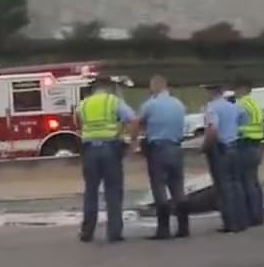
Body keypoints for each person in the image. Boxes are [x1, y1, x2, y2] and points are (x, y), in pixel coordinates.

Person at [75, 77, 136, 243]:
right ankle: (114, 232)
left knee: (91, 192)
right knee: (113, 191)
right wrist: (131, 140)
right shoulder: (113, 101)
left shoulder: (84, 104)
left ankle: (87, 232)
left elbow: (78, 121)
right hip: (110, 148)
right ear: (107, 87)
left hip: (89, 151)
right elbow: (132, 118)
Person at [135, 75, 189, 239]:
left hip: (158, 149)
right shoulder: (179, 104)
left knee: (159, 189)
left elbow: (138, 122)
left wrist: (135, 141)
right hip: (176, 148)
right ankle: (183, 228)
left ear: (154, 87)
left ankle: (163, 230)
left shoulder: (150, 105)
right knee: (178, 188)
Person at [203, 85, 248, 233]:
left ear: (211, 92)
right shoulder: (233, 106)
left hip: (221, 150)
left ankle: (231, 223)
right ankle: (242, 221)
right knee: (237, 184)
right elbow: (243, 122)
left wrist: (205, 146)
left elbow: (213, 129)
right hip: (235, 147)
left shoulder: (211, 108)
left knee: (224, 188)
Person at [233, 78, 264, 227]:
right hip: (257, 146)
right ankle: (259, 215)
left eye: (236, 89)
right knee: (254, 182)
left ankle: (250, 216)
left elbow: (234, 126)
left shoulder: (240, 104)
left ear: (241, 89)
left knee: (245, 183)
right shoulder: (256, 104)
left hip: (244, 145)